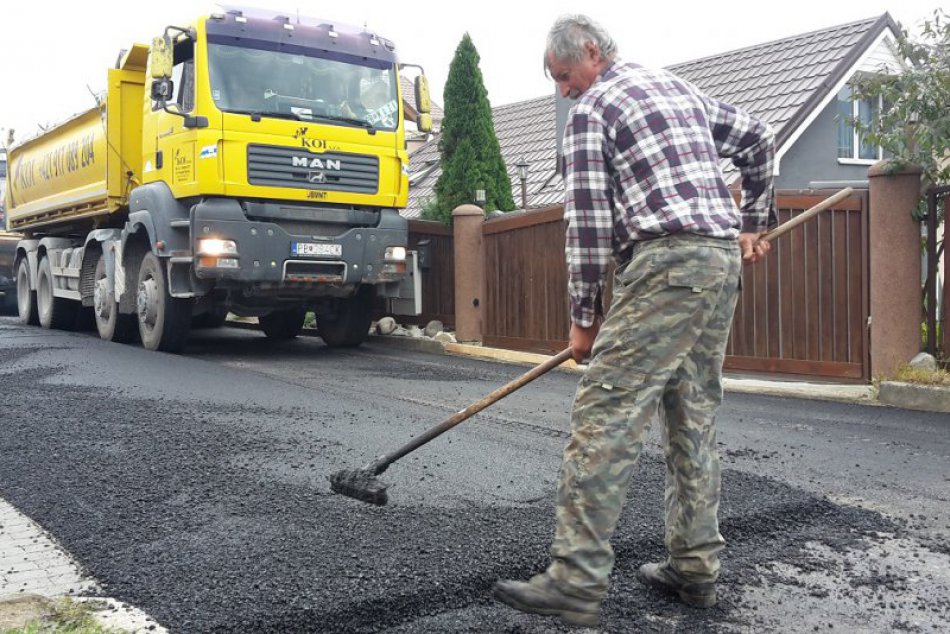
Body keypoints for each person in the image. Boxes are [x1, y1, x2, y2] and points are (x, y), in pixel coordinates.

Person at [492, 14, 775, 628]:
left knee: (605, 414)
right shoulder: (678, 89)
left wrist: (583, 320)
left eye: (565, 75)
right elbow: (758, 137)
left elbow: (588, 226)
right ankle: (695, 568)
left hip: (667, 262)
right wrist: (754, 222)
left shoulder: (594, 111)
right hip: (719, 262)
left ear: (592, 54)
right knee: (691, 414)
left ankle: (575, 579)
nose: (564, 91)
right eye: (557, 81)